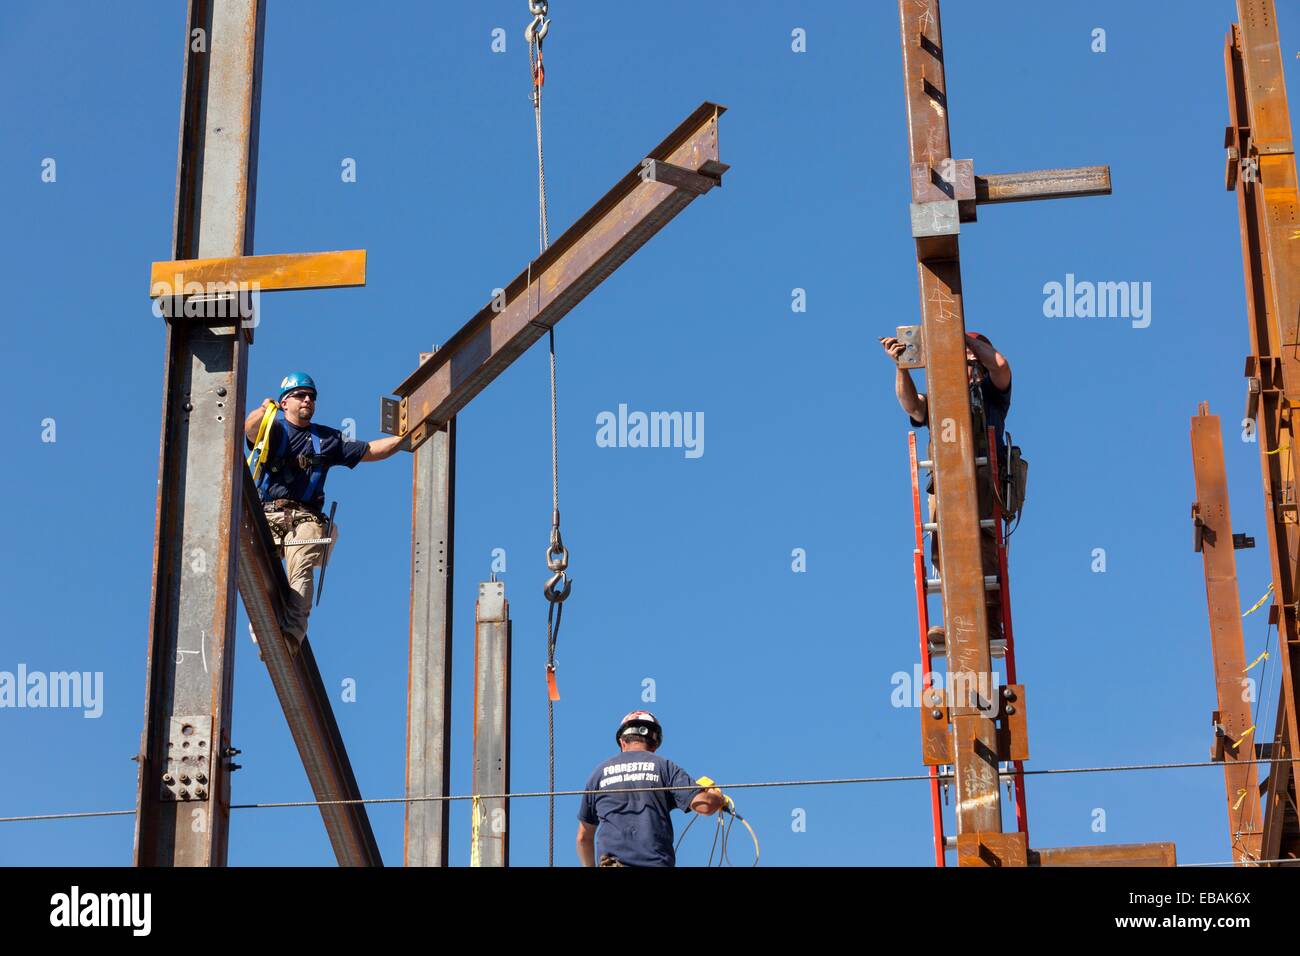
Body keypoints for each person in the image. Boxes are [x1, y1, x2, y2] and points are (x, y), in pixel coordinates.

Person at [242, 371, 405, 654]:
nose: (308, 400)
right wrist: (262, 410)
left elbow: (371, 450)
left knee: (301, 563)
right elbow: (251, 431)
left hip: (305, 519)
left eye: (311, 396)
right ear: (284, 403)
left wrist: (406, 434)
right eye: (300, 395)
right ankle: (262, 624)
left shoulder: (326, 440)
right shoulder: (274, 430)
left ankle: (291, 635)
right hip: (269, 516)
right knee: (254, 564)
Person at [880, 331, 1012, 649]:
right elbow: (912, 406)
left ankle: (990, 622)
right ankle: (958, 621)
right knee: (945, 549)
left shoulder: (992, 390)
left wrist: (962, 339)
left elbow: (1000, 365)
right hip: (946, 479)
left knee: (983, 544)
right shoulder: (942, 396)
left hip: (984, 477)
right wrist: (902, 367)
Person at [576, 711, 724, 867]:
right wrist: (718, 798)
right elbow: (704, 805)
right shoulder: (664, 767)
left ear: (622, 742)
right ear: (654, 744)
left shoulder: (599, 774)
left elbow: (583, 838)